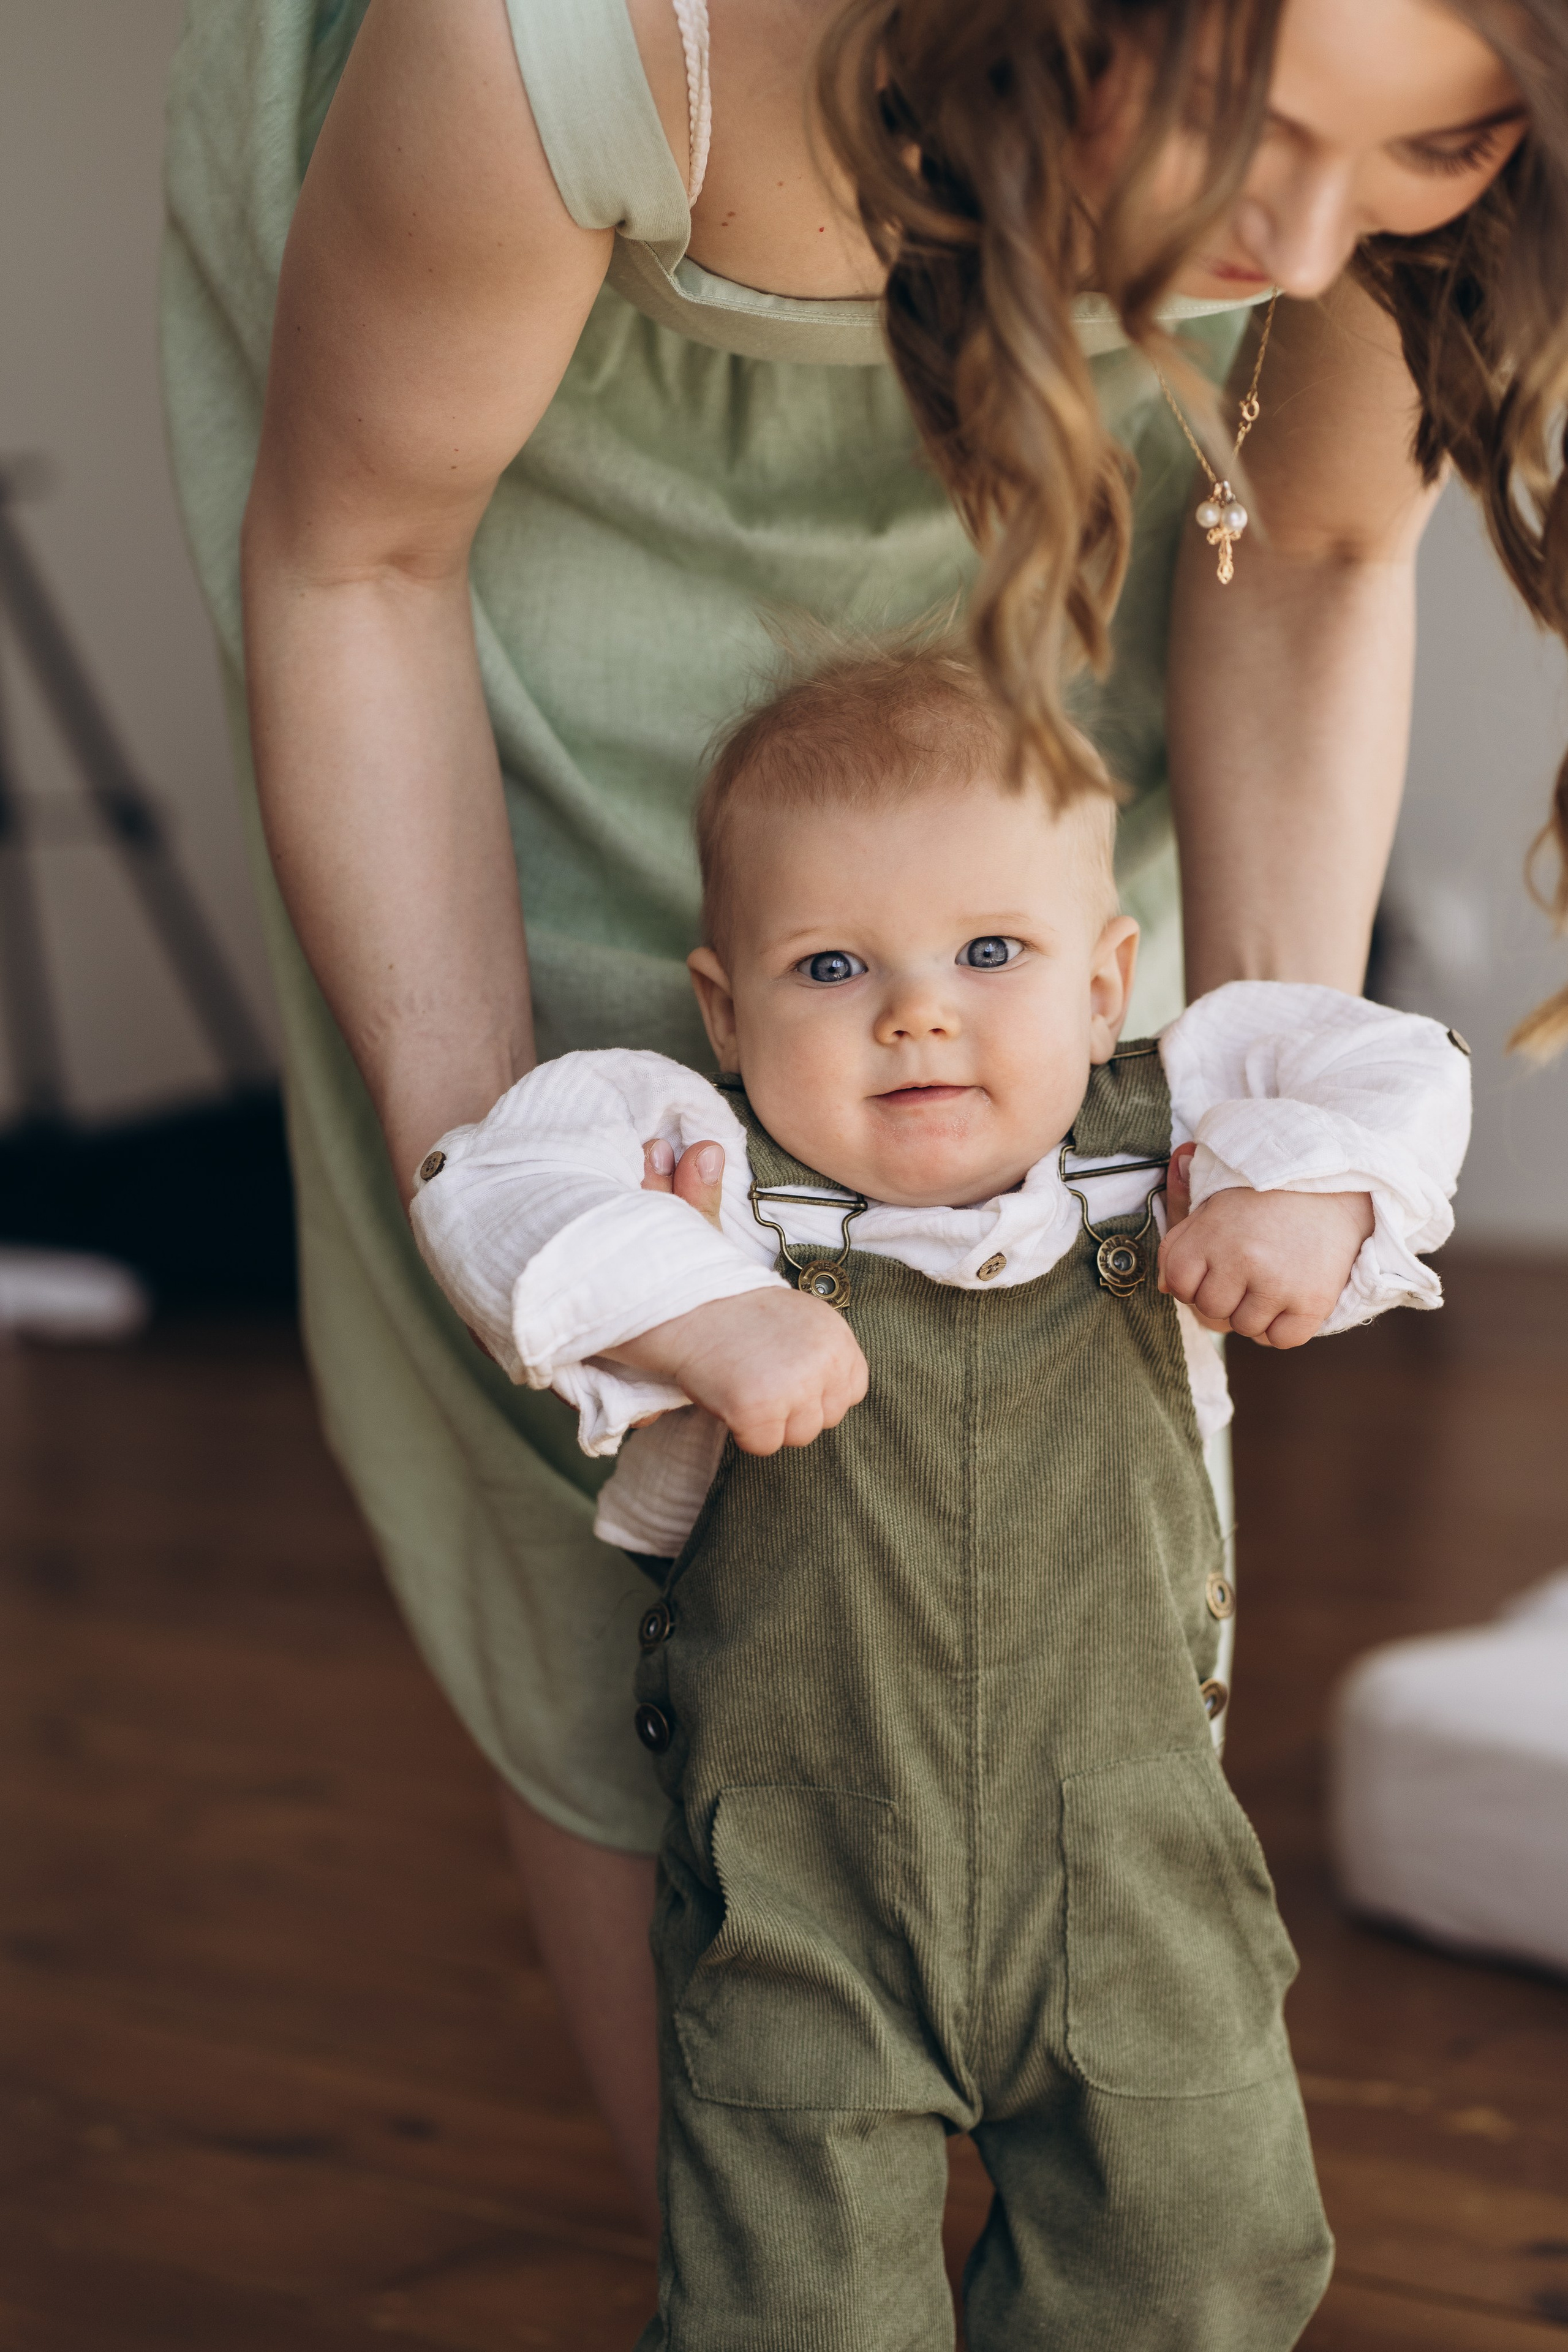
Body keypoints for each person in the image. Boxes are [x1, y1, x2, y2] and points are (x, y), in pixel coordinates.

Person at [160, 0, 1564, 2231]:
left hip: (1058, 534)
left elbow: (1299, 555)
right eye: (1256, 132)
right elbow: (363, 558)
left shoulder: (1345, 215)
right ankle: (762, 2240)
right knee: (608, 1484)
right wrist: (525, 1213)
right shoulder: (573, 41)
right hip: (476, 567)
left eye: (1439, 148)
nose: (1308, 251)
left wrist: (1265, 1092)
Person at [408, 639, 1470, 2346]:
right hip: (802, 1898)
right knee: (793, 2307)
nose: (918, 1009)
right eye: (831, 964)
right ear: (724, 1007)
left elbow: (1396, 1069)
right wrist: (699, 1307)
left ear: (1108, 976)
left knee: (1201, 2253)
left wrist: (1315, 1200)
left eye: (992, 951)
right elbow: (485, 1188)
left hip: (1129, 1881)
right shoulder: (700, 1168)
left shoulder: (1171, 1132)